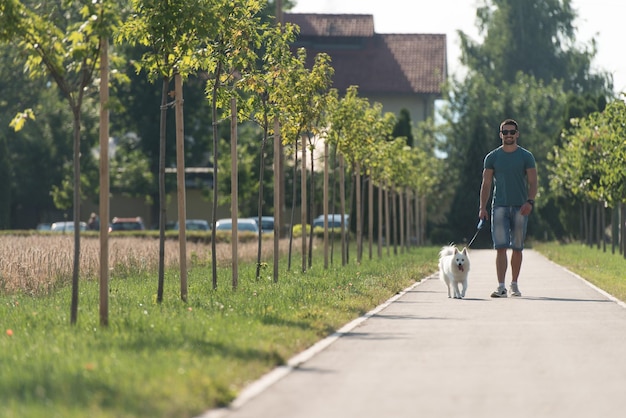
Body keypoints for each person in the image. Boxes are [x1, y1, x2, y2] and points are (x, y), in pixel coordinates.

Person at [478, 119, 537, 298]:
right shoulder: (492, 157)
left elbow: (533, 182)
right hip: (499, 207)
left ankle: (514, 284)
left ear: (517, 134)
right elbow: (486, 184)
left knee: (518, 247)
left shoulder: (526, 156)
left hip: (520, 208)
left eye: (512, 132)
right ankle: (501, 286)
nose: (509, 135)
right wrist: (482, 207)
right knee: (501, 247)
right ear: (500, 135)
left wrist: (530, 201)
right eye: (505, 132)